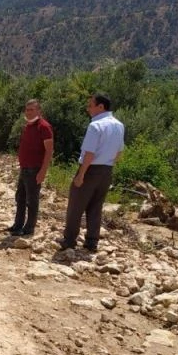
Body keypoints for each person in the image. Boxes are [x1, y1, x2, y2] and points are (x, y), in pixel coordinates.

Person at [59, 93, 124, 251]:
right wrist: (108, 165)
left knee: (76, 205)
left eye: (90, 105)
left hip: (91, 169)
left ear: (100, 107)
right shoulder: (119, 125)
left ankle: (69, 240)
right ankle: (92, 242)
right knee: (96, 206)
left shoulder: (95, 125)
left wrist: (81, 174)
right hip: (107, 169)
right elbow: (119, 152)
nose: (88, 109)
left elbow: (89, 153)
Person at [8, 99, 53, 236]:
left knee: (32, 200)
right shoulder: (28, 125)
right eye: (27, 110)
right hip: (24, 168)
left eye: (32, 110)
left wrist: (43, 171)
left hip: (35, 169)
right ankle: (17, 225)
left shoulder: (44, 127)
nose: (28, 112)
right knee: (20, 198)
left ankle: (29, 228)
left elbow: (49, 151)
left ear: (39, 111)